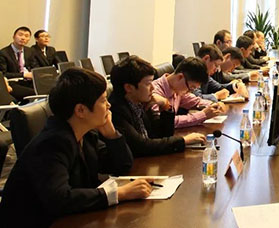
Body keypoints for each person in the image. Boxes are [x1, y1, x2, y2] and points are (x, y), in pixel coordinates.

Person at [0, 68, 147, 227]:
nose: (108, 105)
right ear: (81, 110)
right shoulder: (52, 143)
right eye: (103, 101)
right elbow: (60, 198)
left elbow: (121, 165)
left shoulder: (85, 134)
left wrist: (111, 134)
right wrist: (118, 193)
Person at [109, 56, 206, 157]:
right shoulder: (116, 109)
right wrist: (183, 140)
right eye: (148, 84)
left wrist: (166, 105)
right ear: (129, 87)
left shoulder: (141, 102)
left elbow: (162, 134)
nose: (153, 87)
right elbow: (141, 146)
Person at [151, 57, 227, 128]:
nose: (190, 92)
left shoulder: (177, 88)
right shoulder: (154, 92)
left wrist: (213, 105)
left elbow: (195, 101)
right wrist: (202, 115)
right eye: (191, 88)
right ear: (180, 77)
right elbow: (165, 123)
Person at [0, 26, 37, 100]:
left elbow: (34, 66)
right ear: (13, 37)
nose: (23, 38)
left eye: (26, 36)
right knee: (34, 93)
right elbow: (3, 74)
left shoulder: (30, 51)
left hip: (29, 81)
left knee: (47, 89)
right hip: (13, 82)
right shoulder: (3, 53)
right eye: (20, 35)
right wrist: (23, 75)